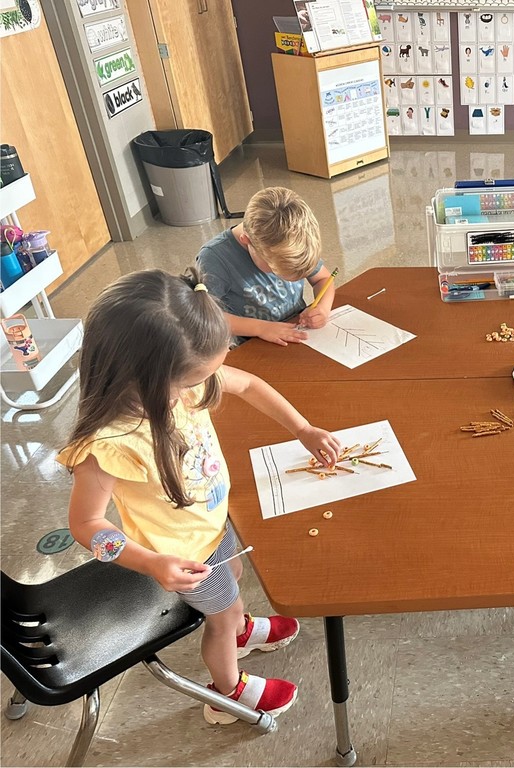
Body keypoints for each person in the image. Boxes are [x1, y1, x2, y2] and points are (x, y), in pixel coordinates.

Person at [58, 269, 343, 724]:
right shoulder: (108, 444)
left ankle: (241, 629)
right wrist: (151, 563)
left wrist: (303, 429)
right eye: (187, 384)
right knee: (222, 612)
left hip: (214, 525)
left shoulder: (185, 382)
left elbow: (249, 385)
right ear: (144, 377)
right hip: (183, 555)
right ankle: (227, 691)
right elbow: (87, 525)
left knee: (233, 573)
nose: (200, 389)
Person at [196, 187, 335, 347]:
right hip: (252, 346)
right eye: (277, 271)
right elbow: (205, 317)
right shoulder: (214, 258)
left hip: (295, 335)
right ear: (246, 241)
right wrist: (260, 328)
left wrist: (323, 308)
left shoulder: (295, 243)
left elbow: (323, 279)